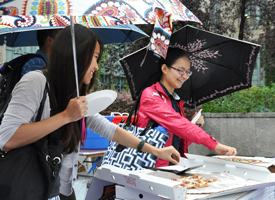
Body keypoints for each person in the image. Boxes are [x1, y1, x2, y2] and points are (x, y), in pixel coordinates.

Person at [0, 24, 180, 200]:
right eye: (94, 57)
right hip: (24, 186)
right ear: (76, 55)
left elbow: (108, 129)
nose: (96, 67)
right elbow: (6, 138)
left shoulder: (73, 95)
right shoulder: (35, 81)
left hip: (57, 189)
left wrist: (154, 150)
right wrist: (65, 117)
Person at [136, 48, 237, 168]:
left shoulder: (175, 101)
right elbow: (178, 124)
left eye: (188, 72)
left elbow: (180, 138)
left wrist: (196, 125)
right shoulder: (150, 95)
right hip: (151, 167)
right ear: (164, 69)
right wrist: (214, 144)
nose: (184, 76)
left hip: (173, 166)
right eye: (180, 70)